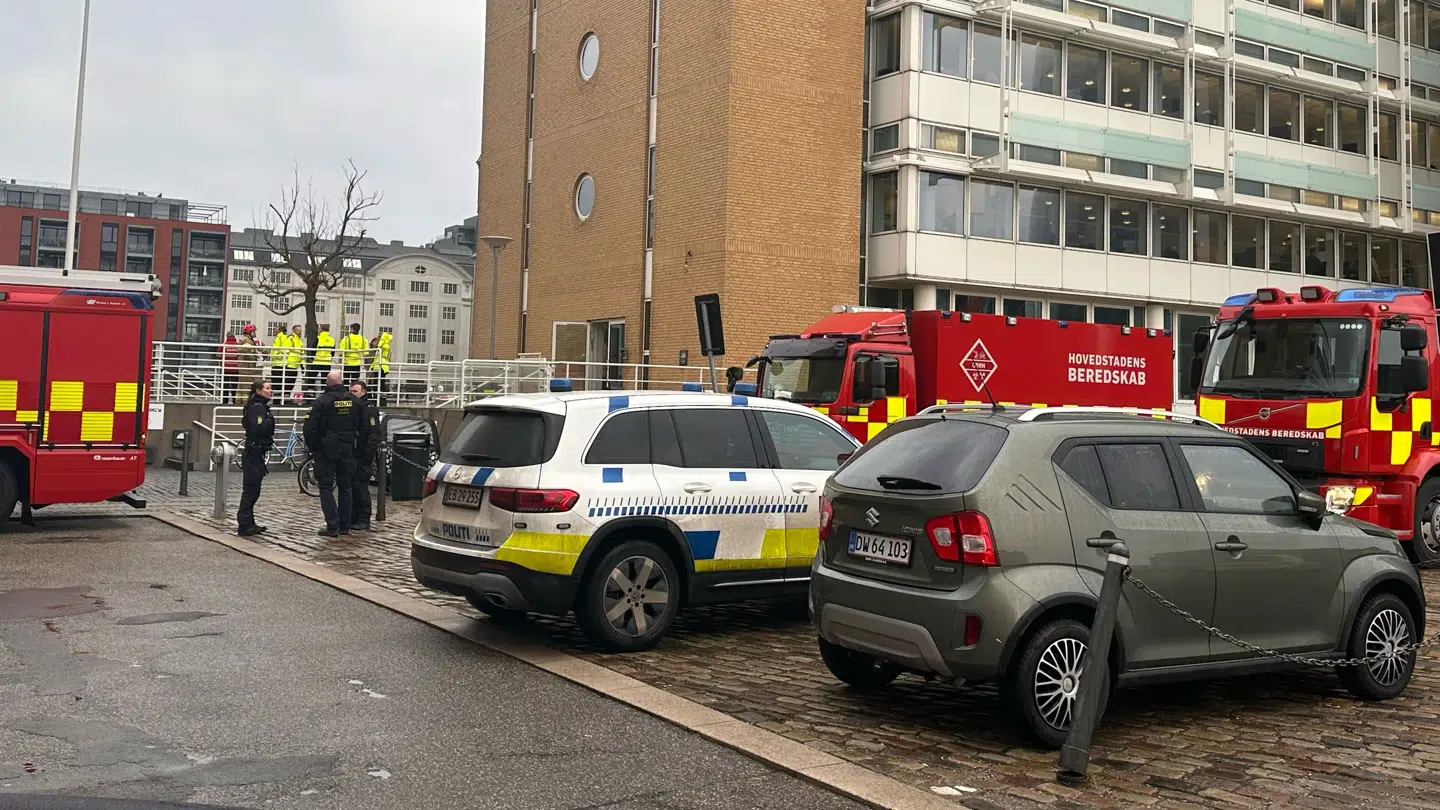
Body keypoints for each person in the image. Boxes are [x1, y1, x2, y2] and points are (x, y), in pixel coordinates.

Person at [305, 370, 361, 537]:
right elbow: (363, 426)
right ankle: (344, 525)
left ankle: (332, 525)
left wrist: (315, 448)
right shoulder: (355, 401)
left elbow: (310, 428)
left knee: (326, 487)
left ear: (327, 383)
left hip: (326, 450)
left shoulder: (321, 402)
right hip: (348, 448)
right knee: (346, 487)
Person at [237, 379, 275, 537]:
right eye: (267, 388)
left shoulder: (257, 405)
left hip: (256, 451)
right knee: (251, 490)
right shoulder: (257, 407)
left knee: (253, 489)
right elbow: (257, 427)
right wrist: (270, 421)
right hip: (254, 452)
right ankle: (244, 524)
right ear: (258, 391)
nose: (270, 391)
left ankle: (249, 522)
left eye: (270, 388)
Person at [349, 380, 382, 531]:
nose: (352, 395)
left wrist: (368, 454)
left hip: (363, 455)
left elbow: (374, 434)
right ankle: (353, 518)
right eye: (351, 392)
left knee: (361, 488)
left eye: (355, 392)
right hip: (353, 454)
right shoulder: (353, 408)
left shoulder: (369, 409)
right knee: (352, 487)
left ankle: (364, 519)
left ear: (363, 392)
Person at [236, 325, 262, 403]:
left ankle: (239, 401)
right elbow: (245, 351)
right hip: (246, 366)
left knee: (241, 385)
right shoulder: (247, 340)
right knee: (246, 385)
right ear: (250, 332)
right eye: (254, 331)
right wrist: (253, 357)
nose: (255, 333)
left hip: (245, 365)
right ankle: (245, 402)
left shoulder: (246, 339)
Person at [369, 331, 392, 406]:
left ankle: (381, 401)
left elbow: (379, 346)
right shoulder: (384, 345)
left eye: (380, 338)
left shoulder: (384, 345)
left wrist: (381, 341)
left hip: (382, 366)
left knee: (380, 384)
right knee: (377, 384)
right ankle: (379, 399)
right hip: (379, 366)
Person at [312, 322, 335, 398]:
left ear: (321, 329)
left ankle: (310, 393)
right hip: (327, 362)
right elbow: (333, 352)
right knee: (325, 379)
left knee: (311, 377)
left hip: (317, 361)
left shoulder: (318, 338)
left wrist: (311, 358)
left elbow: (313, 349)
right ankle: (324, 394)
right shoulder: (332, 339)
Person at [269, 324, 290, 399]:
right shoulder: (278, 337)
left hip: (279, 363)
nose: (275, 330)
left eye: (276, 329)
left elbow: (284, 348)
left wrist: (279, 356)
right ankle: (276, 398)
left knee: (277, 382)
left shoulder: (282, 337)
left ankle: (277, 399)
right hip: (276, 363)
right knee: (276, 382)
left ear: (280, 330)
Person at [285, 324, 306, 400]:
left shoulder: (300, 341)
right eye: (298, 330)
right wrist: (285, 363)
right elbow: (286, 351)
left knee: (292, 383)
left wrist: (302, 365)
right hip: (289, 364)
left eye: (301, 331)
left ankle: (287, 398)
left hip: (295, 365)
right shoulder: (290, 338)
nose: (300, 332)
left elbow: (301, 354)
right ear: (293, 330)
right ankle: (285, 398)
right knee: (288, 383)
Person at [219, 333, 240, 404]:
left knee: (225, 386)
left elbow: (218, 356)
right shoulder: (238, 345)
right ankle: (234, 401)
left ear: (227, 337)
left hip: (226, 369)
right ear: (234, 337)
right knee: (235, 387)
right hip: (236, 369)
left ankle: (225, 401)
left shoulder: (224, 345)